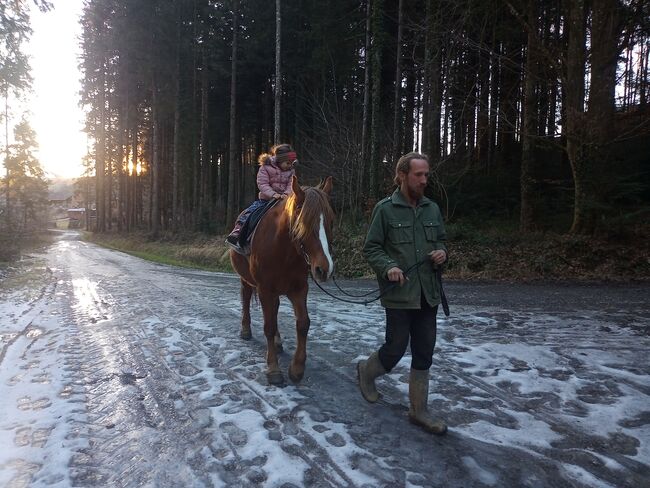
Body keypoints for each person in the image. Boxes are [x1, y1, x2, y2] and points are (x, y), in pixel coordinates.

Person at [358, 152, 448, 435]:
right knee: (395, 349)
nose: (424, 180)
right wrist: (389, 267)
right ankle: (366, 372)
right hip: (399, 294)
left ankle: (418, 411)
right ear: (402, 176)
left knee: (425, 351)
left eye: (426, 175)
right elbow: (371, 247)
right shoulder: (385, 210)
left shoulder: (432, 208)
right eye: (418, 175)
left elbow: (443, 240)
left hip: (428, 294)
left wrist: (442, 253)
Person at [226, 143, 298, 247]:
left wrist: (286, 194)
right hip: (266, 200)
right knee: (250, 212)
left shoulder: (291, 170)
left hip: (285, 200)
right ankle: (237, 231)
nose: (289, 166)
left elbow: (291, 184)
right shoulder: (266, 167)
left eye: (291, 164)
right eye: (287, 163)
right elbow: (262, 184)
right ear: (280, 160)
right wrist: (273, 194)